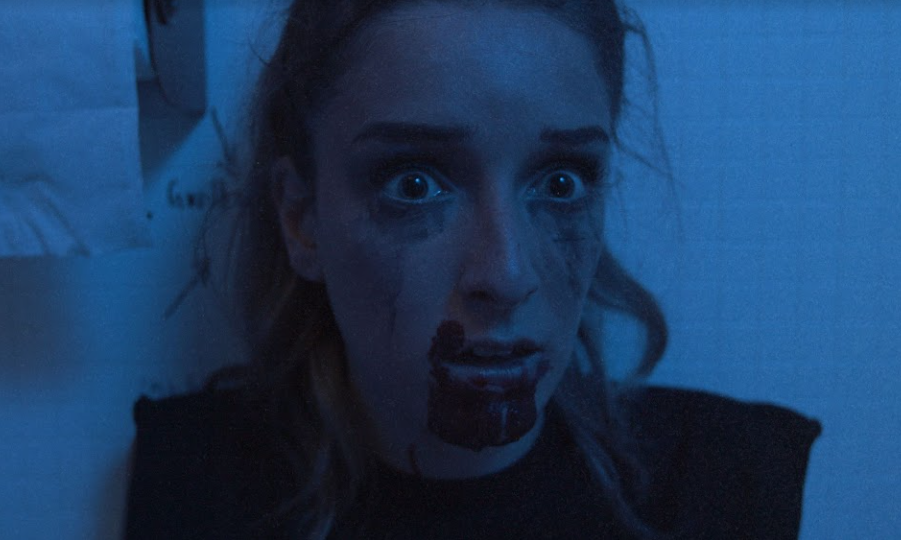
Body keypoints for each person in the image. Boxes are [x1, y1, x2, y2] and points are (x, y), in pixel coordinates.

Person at [125, 1, 821, 538]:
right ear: (302, 220)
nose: (505, 275)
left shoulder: (723, 484)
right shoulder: (199, 486)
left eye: (561, 183)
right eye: (414, 184)